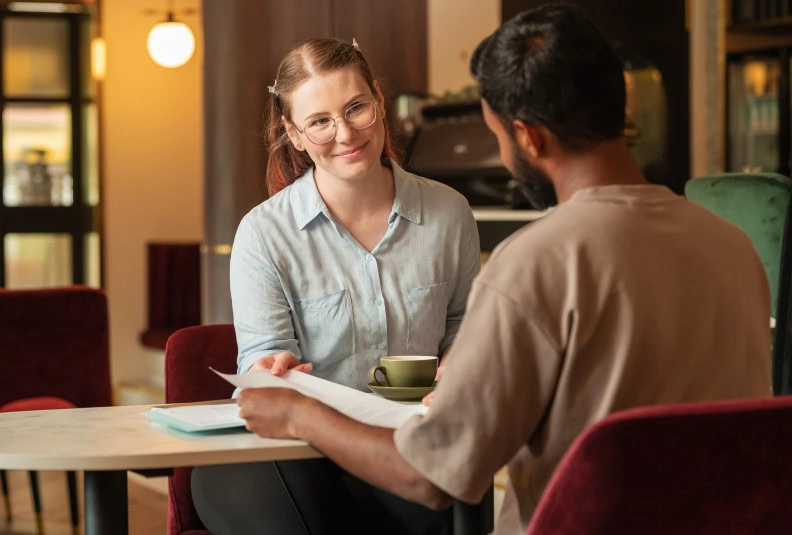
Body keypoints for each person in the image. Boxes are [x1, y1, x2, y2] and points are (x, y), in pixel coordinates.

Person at [234, 4, 773, 534]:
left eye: (496, 135)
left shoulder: (533, 264)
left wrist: (299, 415)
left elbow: (434, 473)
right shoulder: (736, 248)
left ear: (529, 139)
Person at [191, 37, 480, 535]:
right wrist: (270, 368)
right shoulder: (263, 233)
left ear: (379, 103)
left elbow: (464, 326)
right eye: (320, 121)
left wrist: (457, 363)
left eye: (356, 109)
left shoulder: (449, 212)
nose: (344, 133)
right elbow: (262, 360)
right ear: (294, 134)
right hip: (291, 458)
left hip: (403, 451)